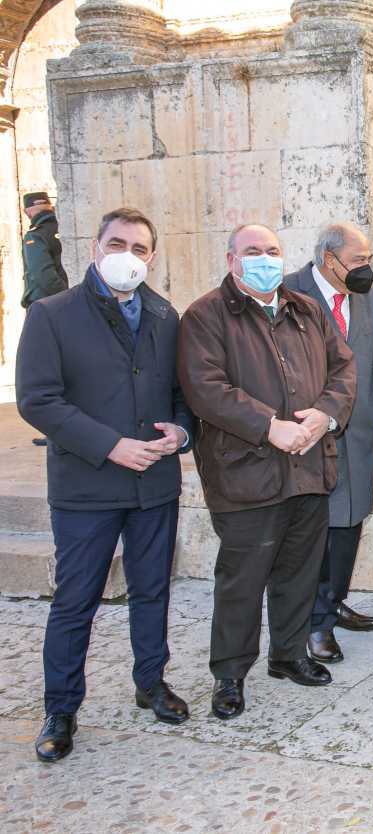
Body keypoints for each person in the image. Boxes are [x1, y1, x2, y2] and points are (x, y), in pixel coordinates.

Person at [17, 207, 193, 762]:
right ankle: (61, 708)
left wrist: (181, 431)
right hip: (87, 487)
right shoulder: (52, 314)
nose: (128, 256)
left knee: (152, 591)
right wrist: (110, 445)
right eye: (118, 243)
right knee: (75, 602)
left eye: (140, 248)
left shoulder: (166, 315)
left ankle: (151, 682)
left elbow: (184, 393)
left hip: (154, 487)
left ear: (152, 258)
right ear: (95, 248)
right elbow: (38, 400)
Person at [179, 223, 356, 720]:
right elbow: (205, 386)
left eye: (272, 251)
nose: (264, 258)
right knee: (242, 578)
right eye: (252, 251)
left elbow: (343, 368)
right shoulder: (206, 315)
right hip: (247, 472)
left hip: (308, 465)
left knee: (299, 570)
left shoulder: (306, 308)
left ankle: (289, 654)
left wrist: (326, 413)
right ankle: (229, 674)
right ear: (232, 260)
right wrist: (267, 426)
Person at [282, 223, 373, 664]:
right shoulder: (288, 293)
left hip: (357, 429)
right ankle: (313, 622)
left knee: (350, 522)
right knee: (315, 531)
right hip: (308, 433)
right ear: (330, 260)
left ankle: (334, 600)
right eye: (359, 259)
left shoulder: (366, 296)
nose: (367, 267)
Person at [21, 191, 69, 310]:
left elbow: (43, 274)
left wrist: (65, 296)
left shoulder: (35, 236)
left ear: (27, 211)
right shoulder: (66, 230)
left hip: (45, 303)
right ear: (50, 207)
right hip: (64, 299)